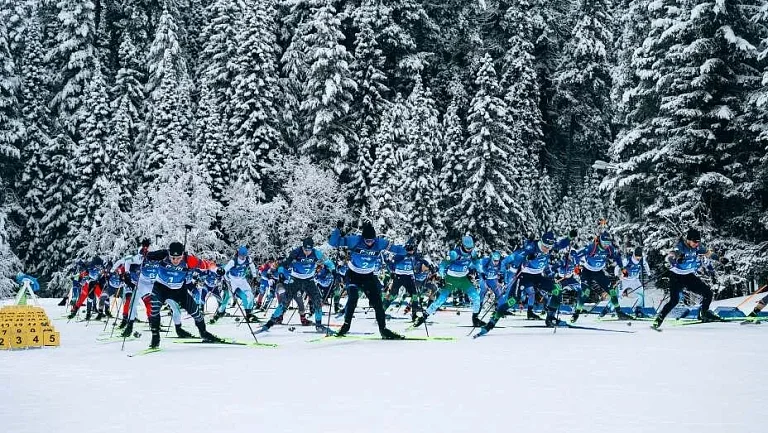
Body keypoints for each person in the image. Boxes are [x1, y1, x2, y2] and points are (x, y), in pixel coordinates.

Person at [329, 221, 406, 339]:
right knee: (353, 298)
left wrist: (407, 252)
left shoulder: (380, 243)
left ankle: (383, 330)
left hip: (368, 276)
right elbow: (334, 242)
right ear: (363, 238)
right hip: (353, 274)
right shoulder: (355, 240)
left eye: (371, 240)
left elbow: (398, 250)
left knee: (378, 303)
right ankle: (345, 326)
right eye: (367, 240)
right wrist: (338, 230)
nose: (369, 243)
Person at [143, 241, 222, 348]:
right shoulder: (162, 255)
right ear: (169, 254)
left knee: (196, 312)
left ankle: (204, 333)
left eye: (178, 258)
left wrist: (217, 269)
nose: (175, 260)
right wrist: (145, 254)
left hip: (179, 290)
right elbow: (147, 256)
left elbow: (207, 264)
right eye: (172, 258)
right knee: (154, 309)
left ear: (183, 255)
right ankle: (155, 337)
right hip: (160, 287)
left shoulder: (189, 259)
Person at [652, 228, 725, 330]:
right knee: (674, 301)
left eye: (698, 242)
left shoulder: (697, 247)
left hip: (688, 276)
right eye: (695, 242)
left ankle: (704, 313)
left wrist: (720, 259)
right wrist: (675, 260)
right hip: (676, 276)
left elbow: (709, 254)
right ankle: (658, 320)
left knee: (708, 293)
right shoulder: (680, 247)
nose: (697, 244)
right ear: (688, 240)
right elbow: (670, 256)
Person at [260, 238, 335, 332]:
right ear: (302, 247)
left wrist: (333, 269)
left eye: (309, 250)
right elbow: (286, 263)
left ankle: (319, 325)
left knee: (317, 301)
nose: (307, 252)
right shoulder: (296, 252)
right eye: (305, 250)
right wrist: (280, 269)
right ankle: (270, 323)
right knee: (285, 301)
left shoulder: (316, 253)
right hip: (296, 279)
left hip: (309, 280)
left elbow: (327, 261)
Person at [413, 235, 484, 328]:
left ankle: (475, 319)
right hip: (451, 279)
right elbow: (442, 265)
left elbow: (476, 263)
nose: (469, 250)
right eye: (467, 248)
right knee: (440, 300)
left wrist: (481, 271)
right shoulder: (454, 254)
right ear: (462, 245)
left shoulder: (473, 253)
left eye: (471, 248)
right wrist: (442, 278)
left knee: (476, 297)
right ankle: (423, 317)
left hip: (463, 279)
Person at [572, 231, 631, 321]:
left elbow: (617, 257)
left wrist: (622, 268)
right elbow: (576, 255)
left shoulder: (610, 249)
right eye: (605, 243)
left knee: (612, 291)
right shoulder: (592, 248)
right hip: (587, 272)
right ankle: (576, 313)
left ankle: (619, 312)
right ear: (600, 241)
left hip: (599, 272)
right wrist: (576, 266)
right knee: (585, 293)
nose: (606, 245)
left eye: (608, 243)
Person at [210, 246, 259, 323]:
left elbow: (252, 266)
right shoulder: (233, 261)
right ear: (238, 254)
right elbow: (224, 271)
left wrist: (255, 277)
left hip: (242, 280)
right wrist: (225, 280)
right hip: (233, 281)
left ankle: (249, 314)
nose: (243, 257)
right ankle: (220, 312)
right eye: (241, 256)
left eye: (244, 256)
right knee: (227, 297)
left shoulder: (248, 259)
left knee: (250, 296)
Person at [67, 256, 107, 321]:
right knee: (82, 298)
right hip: (87, 286)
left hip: (96, 286)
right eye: (97, 266)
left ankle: (100, 313)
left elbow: (103, 276)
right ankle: (76, 312)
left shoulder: (100, 269)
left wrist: (104, 279)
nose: (98, 267)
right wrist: (77, 279)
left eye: (99, 266)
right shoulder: (89, 268)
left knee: (102, 297)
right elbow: (81, 275)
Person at [617, 247, 652, 317]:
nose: (638, 258)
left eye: (639, 256)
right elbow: (617, 267)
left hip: (635, 280)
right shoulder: (627, 260)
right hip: (625, 280)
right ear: (634, 255)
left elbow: (646, 265)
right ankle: (608, 309)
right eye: (637, 256)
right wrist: (617, 276)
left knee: (641, 292)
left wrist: (649, 274)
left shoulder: (642, 260)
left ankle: (638, 310)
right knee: (618, 295)